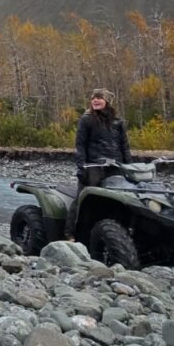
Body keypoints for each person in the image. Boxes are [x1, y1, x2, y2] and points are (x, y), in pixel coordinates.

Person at [66, 88, 132, 239]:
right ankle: (70, 233)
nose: (95, 100)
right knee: (83, 198)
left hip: (116, 166)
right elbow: (80, 145)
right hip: (93, 166)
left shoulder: (118, 121)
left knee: (119, 200)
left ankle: (116, 233)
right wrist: (81, 166)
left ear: (107, 101)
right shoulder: (86, 119)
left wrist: (129, 167)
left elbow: (124, 146)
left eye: (99, 98)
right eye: (93, 98)